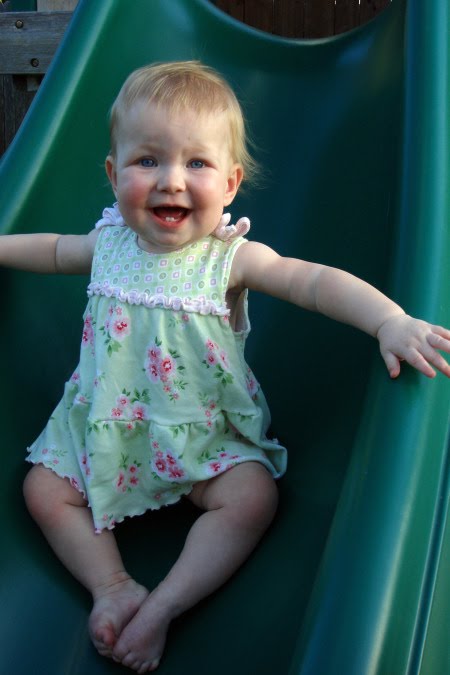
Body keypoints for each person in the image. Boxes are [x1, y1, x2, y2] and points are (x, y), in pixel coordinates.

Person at [1, 61, 449, 674]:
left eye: (197, 164)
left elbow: (311, 282)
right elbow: (52, 251)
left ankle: (165, 604)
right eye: (147, 161)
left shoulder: (229, 259)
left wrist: (388, 320)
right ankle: (112, 585)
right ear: (113, 174)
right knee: (43, 490)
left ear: (232, 183)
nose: (171, 182)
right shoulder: (107, 243)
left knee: (251, 497)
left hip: (203, 437)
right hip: (109, 432)